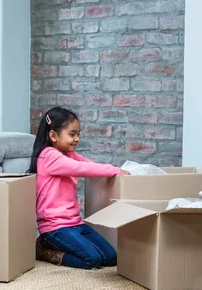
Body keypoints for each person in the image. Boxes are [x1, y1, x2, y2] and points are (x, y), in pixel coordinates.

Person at [29, 106, 129, 269]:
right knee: (91, 260)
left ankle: (53, 246)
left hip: (75, 223)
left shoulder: (68, 154)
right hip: (55, 227)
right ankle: (44, 251)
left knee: (111, 258)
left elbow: (89, 164)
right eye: (72, 134)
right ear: (53, 135)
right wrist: (115, 170)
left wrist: (114, 171)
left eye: (78, 134)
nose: (76, 139)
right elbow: (82, 169)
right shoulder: (48, 156)